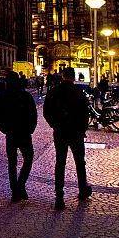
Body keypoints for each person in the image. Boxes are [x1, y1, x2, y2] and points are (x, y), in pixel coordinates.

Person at [42, 66, 93, 210]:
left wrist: (55, 125)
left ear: (63, 76)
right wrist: (82, 129)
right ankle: (82, 190)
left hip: (60, 132)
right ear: (73, 77)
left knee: (60, 163)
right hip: (76, 132)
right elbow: (85, 114)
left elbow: (46, 112)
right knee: (79, 162)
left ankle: (59, 197)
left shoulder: (54, 92)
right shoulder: (79, 92)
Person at [0, 71, 37, 202]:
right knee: (28, 159)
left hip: (11, 133)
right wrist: (30, 129)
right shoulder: (25, 96)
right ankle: (20, 185)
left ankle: (15, 190)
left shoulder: (2, 96)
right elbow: (33, 114)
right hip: (24, 132)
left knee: (12, 163)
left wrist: (4, 129)